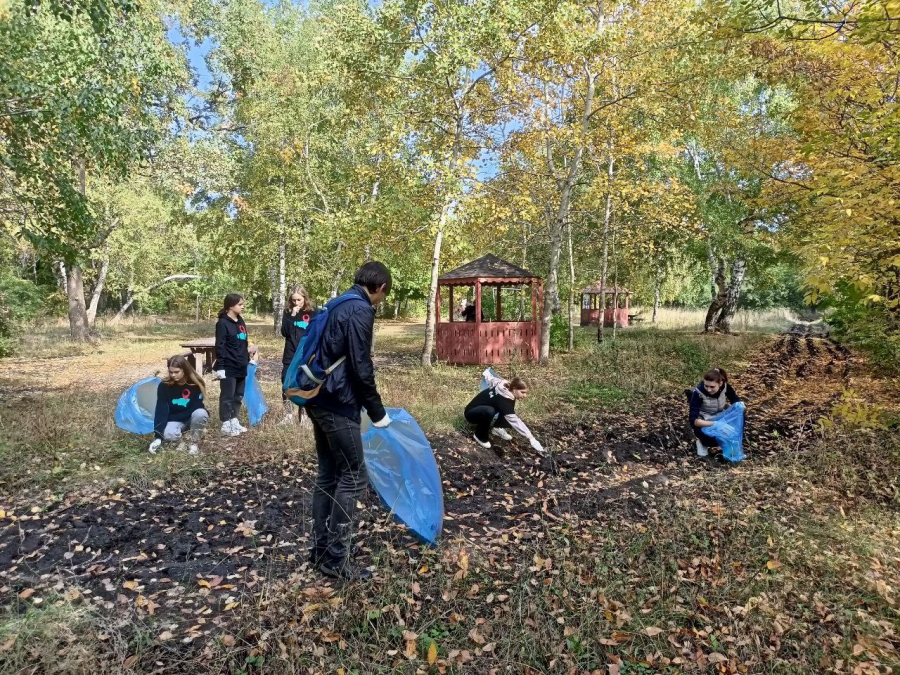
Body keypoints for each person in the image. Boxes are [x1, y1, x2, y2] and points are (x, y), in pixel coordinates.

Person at [307, 261, 392, 581]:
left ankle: (319, 553)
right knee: (353, 476)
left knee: (329, 474)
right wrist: (377, 411)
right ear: (380, 287)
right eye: (385, 293)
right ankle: (336, 559)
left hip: (317, 396)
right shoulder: (360, 309)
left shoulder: (337, 302)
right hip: (338, 403)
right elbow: (360, 365)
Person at [465, 369, 545, 455]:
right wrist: (531, 437)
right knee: (490, 411)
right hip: (471, 413)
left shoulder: (504, 384)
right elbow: (515, 421)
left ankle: (498, 428)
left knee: (507, 409)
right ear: (514, 389)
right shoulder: (504, 401)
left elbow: (492, 379)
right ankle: (479, 436)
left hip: (483, 408)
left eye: (526, 393)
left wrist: (486, 373)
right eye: (522, 392)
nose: (525, 396)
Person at [214, 293, 256, 437]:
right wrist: (220, 366)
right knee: (228, 396)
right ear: (230, 306)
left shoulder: (241, 321)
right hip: (228, 366)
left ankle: (234, 419)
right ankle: (225, 423)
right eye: (240, 304)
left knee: (238, 395)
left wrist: (248, 356)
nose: (243, 307)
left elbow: (243, 342)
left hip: (241, 364)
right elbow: (219, 346)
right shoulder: (222, 323)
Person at [149, 354, 209, 456]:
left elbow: (197, 407)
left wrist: (186, 417)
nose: (173, 375)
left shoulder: (194, 385)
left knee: (201, 413)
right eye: (171, 372)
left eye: (176, 372)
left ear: (184, 370)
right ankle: (181, 442)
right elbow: (161, 409)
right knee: (168, 435)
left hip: (191, 417)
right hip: (175, 419)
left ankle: (194, 443)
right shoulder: (164, 386)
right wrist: (158, 436)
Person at [280, 287, 317, 426]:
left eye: (299, 300)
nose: (296, 303)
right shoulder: (288, 313)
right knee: (286, 380)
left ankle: (305, 416)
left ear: (305, 299)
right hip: (290, 352)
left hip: (306, 353)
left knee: (305, 383)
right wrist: (293, 316)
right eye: (293, 300)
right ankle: (288, 414)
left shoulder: (313, 313)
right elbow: (284, 332)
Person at [689, 367, 742, 458]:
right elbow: (693, 420)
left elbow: (735, 401)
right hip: (705, 422)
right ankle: (703, 443)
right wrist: (715, 424)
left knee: (735, 428)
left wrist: (740, 406)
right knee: (713, 436)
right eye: (706, 386)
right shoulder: (698, 394)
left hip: (721, 416)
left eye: (712, 387)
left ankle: (727, 451)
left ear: (720, 383)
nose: (709, 389)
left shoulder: (725, 387)